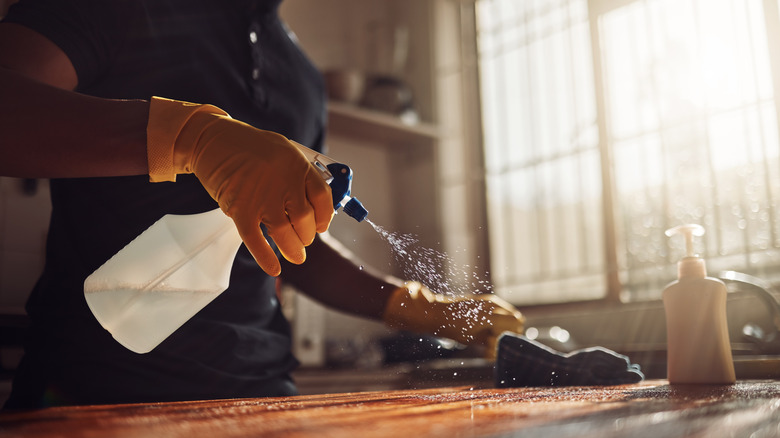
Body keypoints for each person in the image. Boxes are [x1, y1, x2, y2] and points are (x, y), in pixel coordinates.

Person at [0, 0, 525, 409]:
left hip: (261, 392)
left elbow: (293, 239)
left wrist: (421, 308)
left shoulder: (301, 76)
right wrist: (190, 137)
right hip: (92, 391)